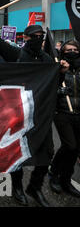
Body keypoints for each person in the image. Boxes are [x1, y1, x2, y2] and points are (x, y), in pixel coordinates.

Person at [0, 8, 54, 207]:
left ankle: (35, 187)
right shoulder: (16, 54)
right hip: (18, 114)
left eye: (41, 36)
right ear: (26, 38)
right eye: (34, 36)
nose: (38, 39)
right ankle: (16, 187)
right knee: (17, 153)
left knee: (47, 152)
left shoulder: (47, 60)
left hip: (40, 115)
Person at [48, 40, 80, 198]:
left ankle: (66, 180)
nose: (73, 52)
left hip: (78, 113)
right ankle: (54, 172)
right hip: (62, 112)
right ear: (63, 52)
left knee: (76, 149)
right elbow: (47, 89)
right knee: (70, 145)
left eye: (75, 49)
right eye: (69, 50)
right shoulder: (57, 67)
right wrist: (60, 76)